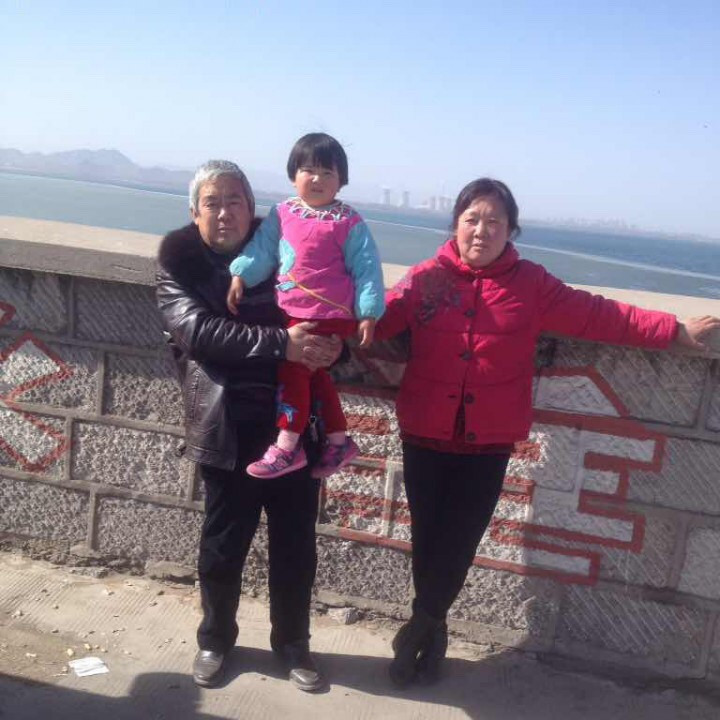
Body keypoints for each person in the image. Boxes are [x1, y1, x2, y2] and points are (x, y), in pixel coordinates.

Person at [374, 177, 720, 687]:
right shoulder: (426, 279)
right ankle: (433, 628)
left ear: (511, 230)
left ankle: (416, 631)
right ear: (455, 225)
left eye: (494, 221)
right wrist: (319, 310)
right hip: (425, 430)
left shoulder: (531, 285)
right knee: (428, 537)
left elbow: (601, 315)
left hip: (487, 441)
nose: (482, 230)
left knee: (461, 539)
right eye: (472, 219)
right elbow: (376, 320)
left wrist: (674, 330)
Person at [156, 160, 342, 692]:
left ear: (252, 208)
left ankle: (293, 644)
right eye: (212, 203)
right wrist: (284, 344)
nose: (224, 213)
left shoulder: (287, 250)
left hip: (294, 429)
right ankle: (215, 640)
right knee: (223, 544)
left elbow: (326, 305)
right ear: (194, 213)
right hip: (228, 426)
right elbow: (199, 332)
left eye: (234, 201)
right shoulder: (179, 264)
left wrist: (334, 344)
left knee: (295, 546)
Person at [226, 133, 385, 480]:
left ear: (341, 180)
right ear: (293, 174)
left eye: (327, 173)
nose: (317, 179)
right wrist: (241, 275)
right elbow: (263, 249)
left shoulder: (348, 221)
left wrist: (369, 312)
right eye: (308, 170)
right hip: (293, 309)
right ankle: (339, 440)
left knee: (294, 369)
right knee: (315, 374)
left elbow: (367, 268)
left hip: (329, 312)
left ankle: (287, 446)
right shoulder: (283, 213)